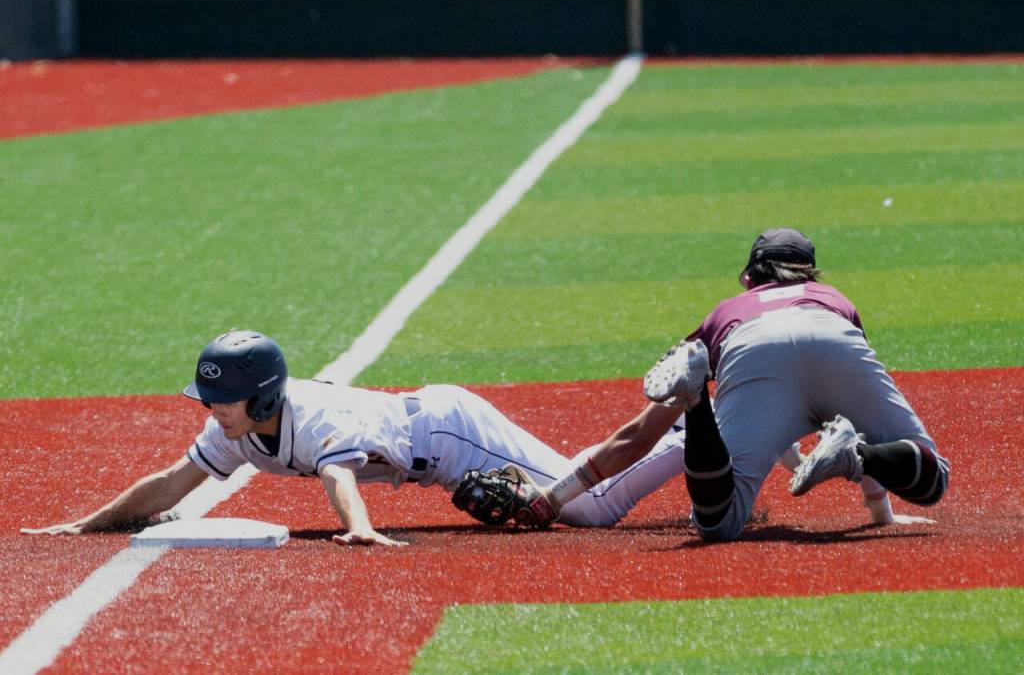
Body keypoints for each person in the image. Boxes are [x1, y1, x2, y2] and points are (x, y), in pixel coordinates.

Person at [21, 330, 689, 546]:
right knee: (575, 505)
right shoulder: (234, 427)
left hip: (455, 432)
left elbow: (338, 475)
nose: (213, 410)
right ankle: (691, 427)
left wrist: (359, 529)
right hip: (432, 451)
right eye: (210, 398)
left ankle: (689, 426)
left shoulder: (311, 417)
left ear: (261, 397)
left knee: (589, 511)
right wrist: (86, 523)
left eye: (223, 399)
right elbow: (173, 482)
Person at [521, 228, 949, 540]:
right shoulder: (836, 300)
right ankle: (856, 457)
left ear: (749, 277)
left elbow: (639, 437)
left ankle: (696, 405)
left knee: (718, 521)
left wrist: (555, 497)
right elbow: (861, 410)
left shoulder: (727, 311)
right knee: (933, 476)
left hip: (750, 346)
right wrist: (880, 514)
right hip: (830, 333)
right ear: (810, 275)